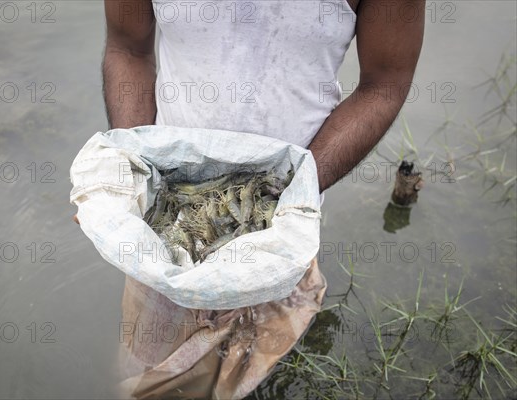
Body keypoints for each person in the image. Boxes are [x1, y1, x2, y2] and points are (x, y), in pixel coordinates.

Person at [96, 0, 425, 398]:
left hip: (284, 215)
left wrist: (296, 191)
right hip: (168, 218)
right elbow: (127, 47)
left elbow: (386, 80)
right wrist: (131, 167)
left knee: (260, 369)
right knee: (147, 380)